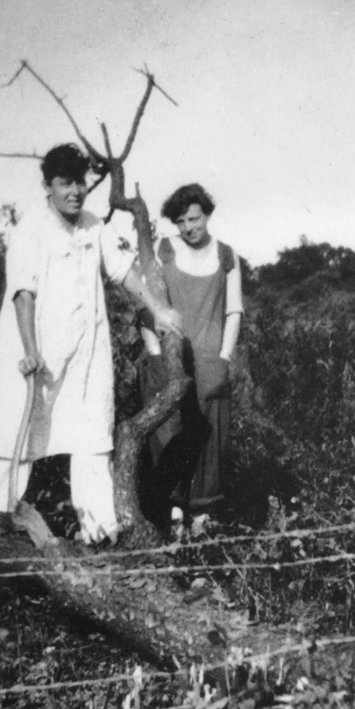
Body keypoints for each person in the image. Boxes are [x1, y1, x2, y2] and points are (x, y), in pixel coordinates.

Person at [0, 143, 182, 544]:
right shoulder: (30, 229)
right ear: (48, 187)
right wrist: (29, 350)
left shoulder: (94, 225)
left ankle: (99, 529)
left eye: (80, 182)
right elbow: (23, 294)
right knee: (17, 432)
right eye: (65, 183)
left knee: (92, 432)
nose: (75, 191)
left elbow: (124, 271)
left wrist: (158, 310)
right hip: (36, 350)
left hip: (85, 352)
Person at [137, 183, 243, 527]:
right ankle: (173, 518)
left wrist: (225, 356)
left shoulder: (226, 256)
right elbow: (147, 306)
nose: (189, 228)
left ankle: (203, 523)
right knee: (169, 433)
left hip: (210, 361)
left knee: (209, 437)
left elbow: (234, 312)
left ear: (207, 215)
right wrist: (154, 353)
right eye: (181, 221)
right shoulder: (164, 250)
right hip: (171, 360)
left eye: (194, 219)